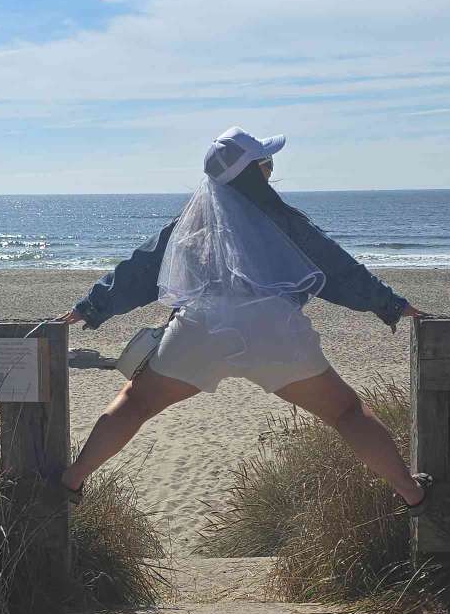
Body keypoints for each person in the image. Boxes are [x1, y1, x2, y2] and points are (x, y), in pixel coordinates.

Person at [58, 127, 429, 510]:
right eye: (265, 162)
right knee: (347, 412)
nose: (270, 168)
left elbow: (141, 268)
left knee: (135, 404)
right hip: (274, 330)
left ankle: (71, 481)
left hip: (200, 327)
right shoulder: (283, 219)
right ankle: (412, 493)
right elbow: (339, 271)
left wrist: (90, 307)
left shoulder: (192, 221)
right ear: (256, 171)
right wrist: (391, 304)